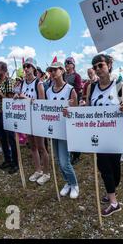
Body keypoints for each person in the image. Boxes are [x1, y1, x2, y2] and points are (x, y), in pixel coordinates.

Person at [83, 54, 123, 216]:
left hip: (115, 136)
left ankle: (111, 190)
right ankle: (114, 202)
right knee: (104, 167)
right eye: (94, 66)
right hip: (98, 135)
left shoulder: (120, 86)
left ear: (109, 65)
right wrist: (75, 109)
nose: (97, 69)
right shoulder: (92, 87)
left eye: (100, 65)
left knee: (115, 170)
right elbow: (88, 110)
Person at [15, 57, 51, 185]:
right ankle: (38, 170)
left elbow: (42, 103)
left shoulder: (39, 83)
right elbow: (19, 96)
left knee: (41, 147)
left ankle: (47, 173)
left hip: (37, 119)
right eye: (24, 66)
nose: (26, 69)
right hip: (26, 119)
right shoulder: (22, 83)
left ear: (34, 68)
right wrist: (16, 97)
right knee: (32, 146)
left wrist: (26, 98)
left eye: (28, 66)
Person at [48, 61, 80, 199]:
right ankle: (67, 182)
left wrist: (70, 111)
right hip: (53, 129)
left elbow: (76, 112)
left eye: (55, 70)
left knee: (64, 161)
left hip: (65, 130)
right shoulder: (49, 91)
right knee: (57, 160)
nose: (53, 73)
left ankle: (74, 184)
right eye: (51, 70)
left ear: (62, 71)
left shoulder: (70, 90)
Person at [0, 61, 18, 174]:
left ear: (3, 70)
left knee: (11, 138)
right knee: (2, 138)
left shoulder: (9, 82)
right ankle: (7, 159)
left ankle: (15, 162)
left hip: (6, 114)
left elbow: (9, 99)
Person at [64, 57, 83, 165]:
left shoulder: (77, 76)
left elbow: (78, 90)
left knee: (75, 130)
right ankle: (70, 151)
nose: (66, 64)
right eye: (65, 63)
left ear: (73, 65)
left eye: (69, 63)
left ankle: (76, 154)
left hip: (74, 106)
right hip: (65, 105)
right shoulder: (63, 75)